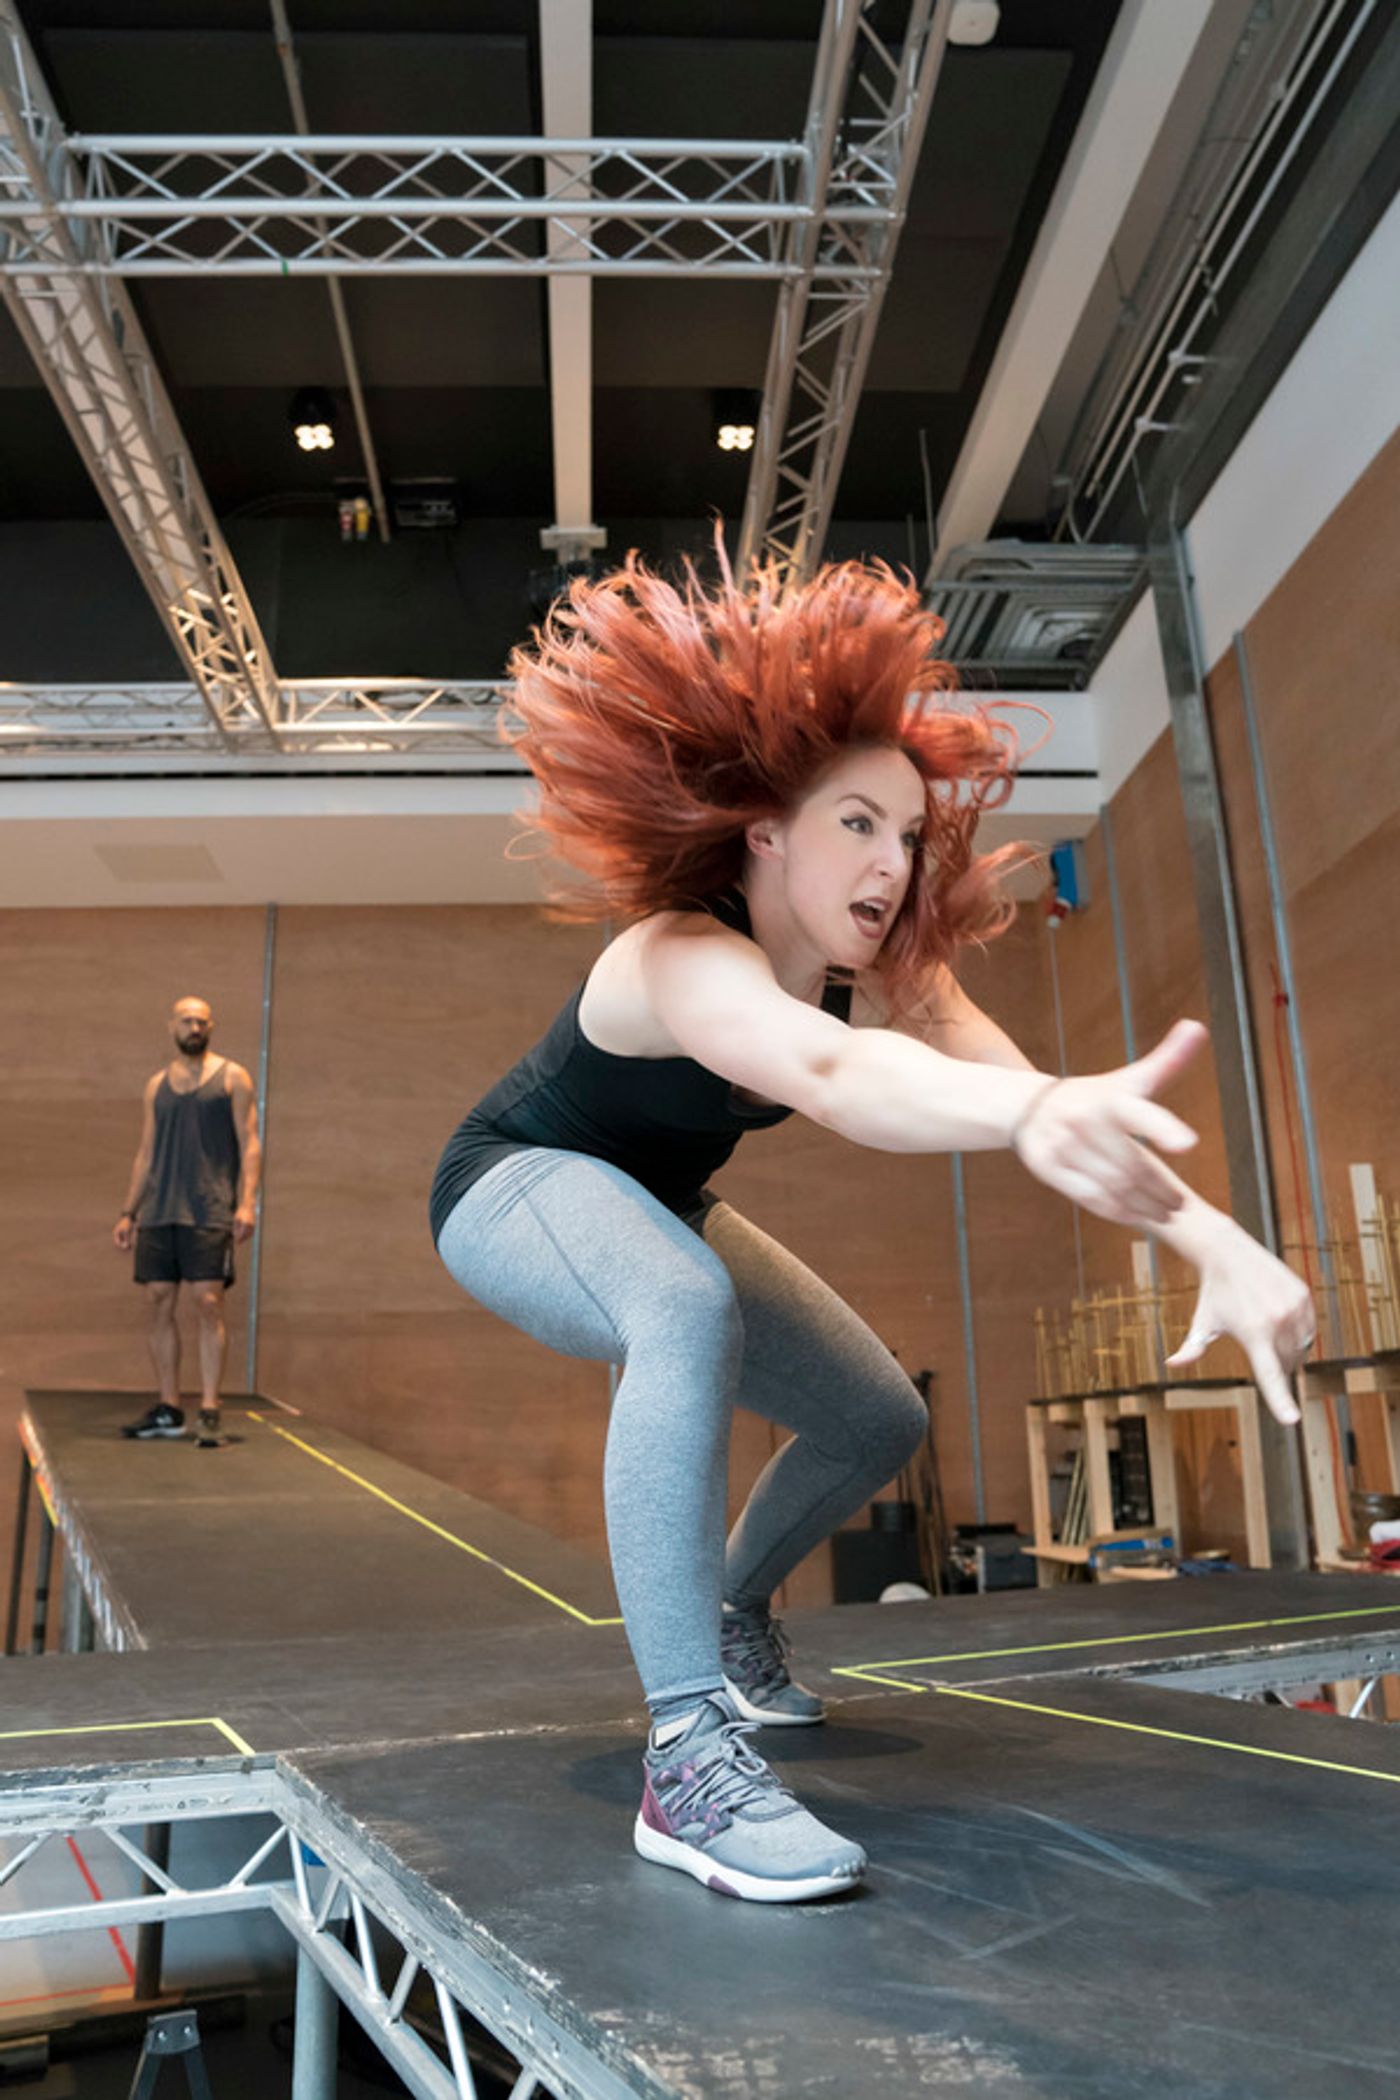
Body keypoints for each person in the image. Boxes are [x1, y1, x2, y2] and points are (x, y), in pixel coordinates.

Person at [430, 549, 1313, 1905]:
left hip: (656, 1203)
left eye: (909, 836)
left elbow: (1039, 1105)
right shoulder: (680, 953)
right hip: (517, 1186)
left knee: (873, 1418)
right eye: (858, 825)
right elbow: (842, 1080)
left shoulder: (883, 959)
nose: (893, 867)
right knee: (682, 1306)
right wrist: (1028, 1114)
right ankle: (689, 1756)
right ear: (766, 828)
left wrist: (1218, 1241)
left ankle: (732, 1617)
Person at [114, 996, 261, 1448]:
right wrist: (128, 1211)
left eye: (201, 1020)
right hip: (160, 1212)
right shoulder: (156, 1085)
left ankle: (211, 1410)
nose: (194, 1026)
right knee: (158, 1301)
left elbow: (250, 1141)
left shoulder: (233, 1077)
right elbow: (146, 1151)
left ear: (211, 1025)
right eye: (186, 1020)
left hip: (209, 1208)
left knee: (208, 1303)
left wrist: (247, 1202)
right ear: (172, 1027)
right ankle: (169, 1407)